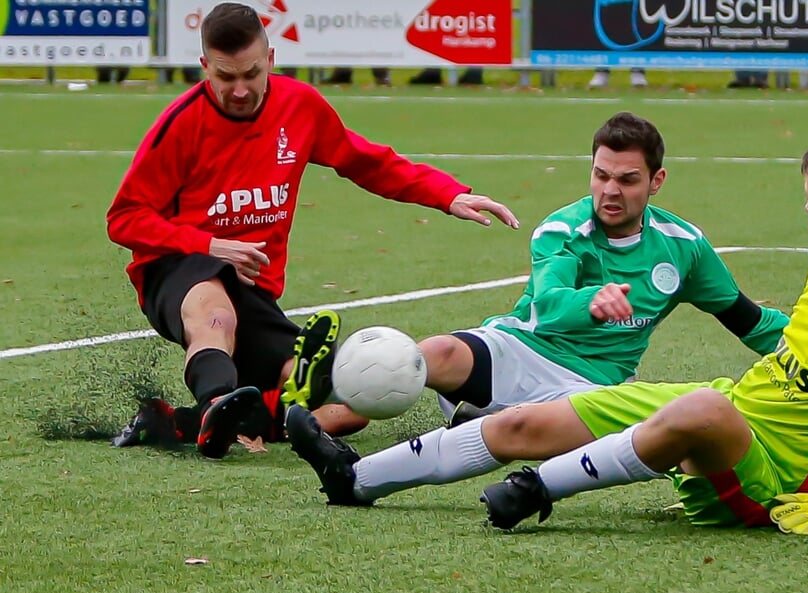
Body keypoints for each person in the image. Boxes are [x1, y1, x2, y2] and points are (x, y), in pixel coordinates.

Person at [472, 132, 808, 533]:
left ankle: (535, 488)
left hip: (766, 485)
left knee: (701, 407)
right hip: (738, 421)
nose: (807, 210)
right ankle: (396, 473)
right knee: (560, 413)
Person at [284, 111, 790, 503]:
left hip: (591, 385)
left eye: (628, 179)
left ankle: (362, 461)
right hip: (518, 349)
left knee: (520, 428)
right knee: (430, 354)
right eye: (601, 175)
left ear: (656, 182)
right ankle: (305, 416)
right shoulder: (561, 229)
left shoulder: (685, 247)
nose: (610, 191)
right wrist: (592, 300)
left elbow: (748, 319)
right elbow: (547, 308)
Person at [104, 2, 518, 459]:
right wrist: (208, 244)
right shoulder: (180, 125)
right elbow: (123, 218)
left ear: (271, 61)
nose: (240, 90)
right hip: (177, 271)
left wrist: (447, 194)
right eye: (225, 78)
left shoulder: (299, 107)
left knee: (351, 400)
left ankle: (181, 421)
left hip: (253, 289)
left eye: (251, 74)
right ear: (205, 68)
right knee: (214, 313)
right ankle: (215, 402)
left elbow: (366, 162)